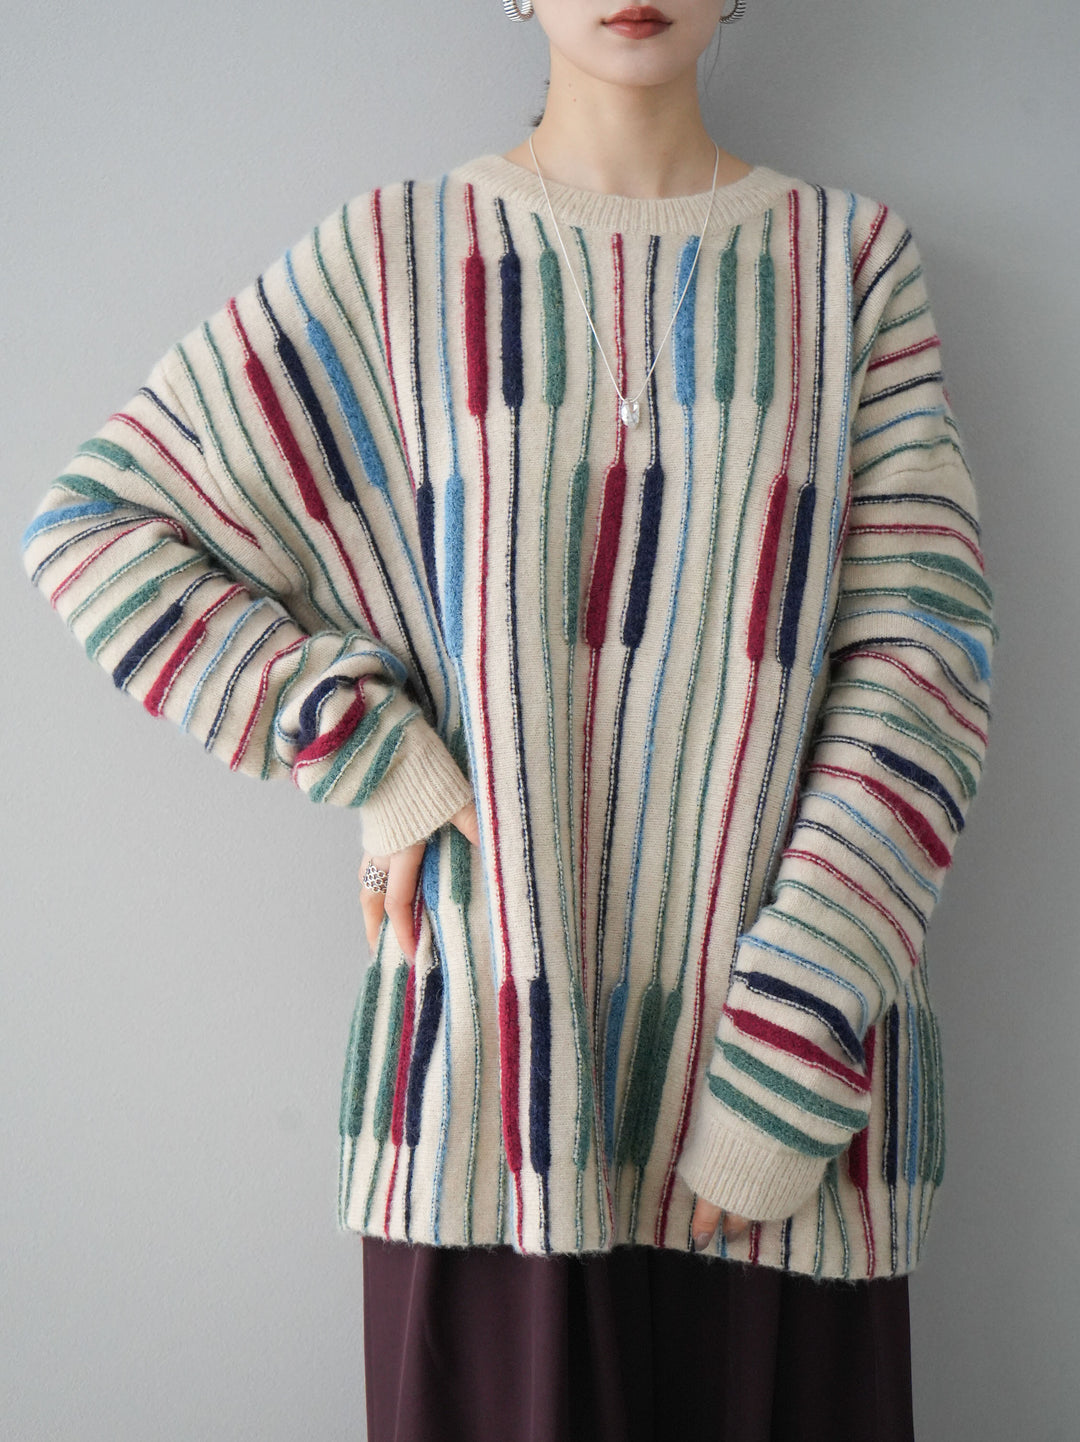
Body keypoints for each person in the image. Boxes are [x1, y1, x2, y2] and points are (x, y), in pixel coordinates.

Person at [19, 0, 996, 1437]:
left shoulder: (849, 269)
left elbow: (924, 672)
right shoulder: (398, 258)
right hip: (489, 1105)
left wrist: (785, 1061)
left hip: (785, 1142)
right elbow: (98, 529)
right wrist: (368, 751)